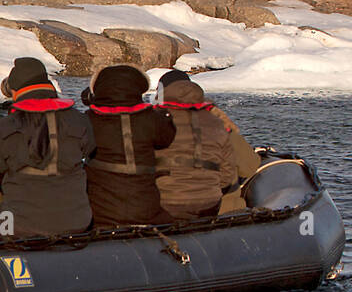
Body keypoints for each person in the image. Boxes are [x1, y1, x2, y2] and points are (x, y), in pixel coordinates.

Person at [0, 57, 96, 237]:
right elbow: (90, 149)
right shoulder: (79, 120)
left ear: (14, 91)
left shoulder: (5, 127)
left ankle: (1, 258)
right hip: (78, 220)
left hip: (19, 224)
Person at [80, 64, 175, 228]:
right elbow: (166, 138)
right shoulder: (152, 118)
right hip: (146, 210)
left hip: (100, 213)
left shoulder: (88, 120)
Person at [156, 69, 259, 213]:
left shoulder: (154, 125)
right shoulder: (217, 121)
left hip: (167, 209)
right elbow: (250, 166)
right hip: (222, 209)